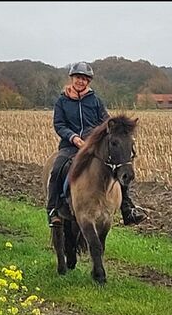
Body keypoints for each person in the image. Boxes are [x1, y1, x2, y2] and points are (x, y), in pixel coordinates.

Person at [47, 61, 147, 227]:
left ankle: (127, 208)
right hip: (70, 146)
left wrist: (119, 127)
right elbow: (59, 124)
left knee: (117, 169)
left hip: (93, 146)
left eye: (85, 79)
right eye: (78, 78)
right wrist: (73, 137)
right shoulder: (62, 101)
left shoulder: (95, 101)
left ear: (88, 82)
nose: (81, 81)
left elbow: (106, 120)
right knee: (57, 169)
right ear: (72, 78)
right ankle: (53, 210)